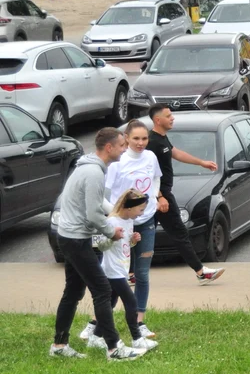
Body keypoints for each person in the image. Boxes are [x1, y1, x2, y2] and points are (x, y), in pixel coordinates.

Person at [51, 128, 144, 361]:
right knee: (102, 290)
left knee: (73, 292)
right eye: (123, 145)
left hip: (70, 236)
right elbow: (93, 215)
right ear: (110, 148)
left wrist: (114, 212)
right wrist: (112, 231)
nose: (126, 149)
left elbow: (98, 204)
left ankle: (59, 345)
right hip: (75, 239)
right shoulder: (94, 173)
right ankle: (114, 349)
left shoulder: (89, 167)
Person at [80, 120, 162, 343]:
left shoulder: (151, 158)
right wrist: (115, 220)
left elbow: (156, 179)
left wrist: (151, 200)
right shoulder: (117, 161)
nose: (140, 143)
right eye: (135, 138)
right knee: (118, 297)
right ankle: (115, 332)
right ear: (126, 138)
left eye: (145, 138)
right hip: (120, 226)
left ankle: (131, 327)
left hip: (139, 222)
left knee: (140, 276)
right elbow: (103, 198)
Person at [146, 105, 225, 285]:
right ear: (158, 120)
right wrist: (159, 197)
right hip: (160, 197)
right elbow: (147, 174)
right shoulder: (152, 143)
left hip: (161, 196)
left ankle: (130, 272)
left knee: (144, 234)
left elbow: (176, 153)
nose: (172, 118)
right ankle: (201, 272)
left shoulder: (162, 139)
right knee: (178, 233)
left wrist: (201, 163)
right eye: (168, 116)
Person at [84, 189, 158, 353]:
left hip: (121, 268)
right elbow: (101, 246)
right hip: (111, 270)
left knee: (110, 304)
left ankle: (95, 337)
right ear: (129, 207)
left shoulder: (129, 221)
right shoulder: (112, 222)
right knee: (131, 302)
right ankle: (137, 338)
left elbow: (125, 245)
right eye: (140, 210)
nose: (141, 214)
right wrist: (112, 237)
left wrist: (132, 241)